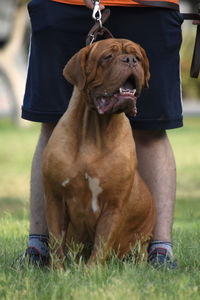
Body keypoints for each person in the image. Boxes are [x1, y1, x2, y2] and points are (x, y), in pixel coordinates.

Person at [20, 0, 183, 269]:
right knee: (51, 122)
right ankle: (40, 246)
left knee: (152, 129)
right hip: (62, 4)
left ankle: (159, 249)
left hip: (150, 5)